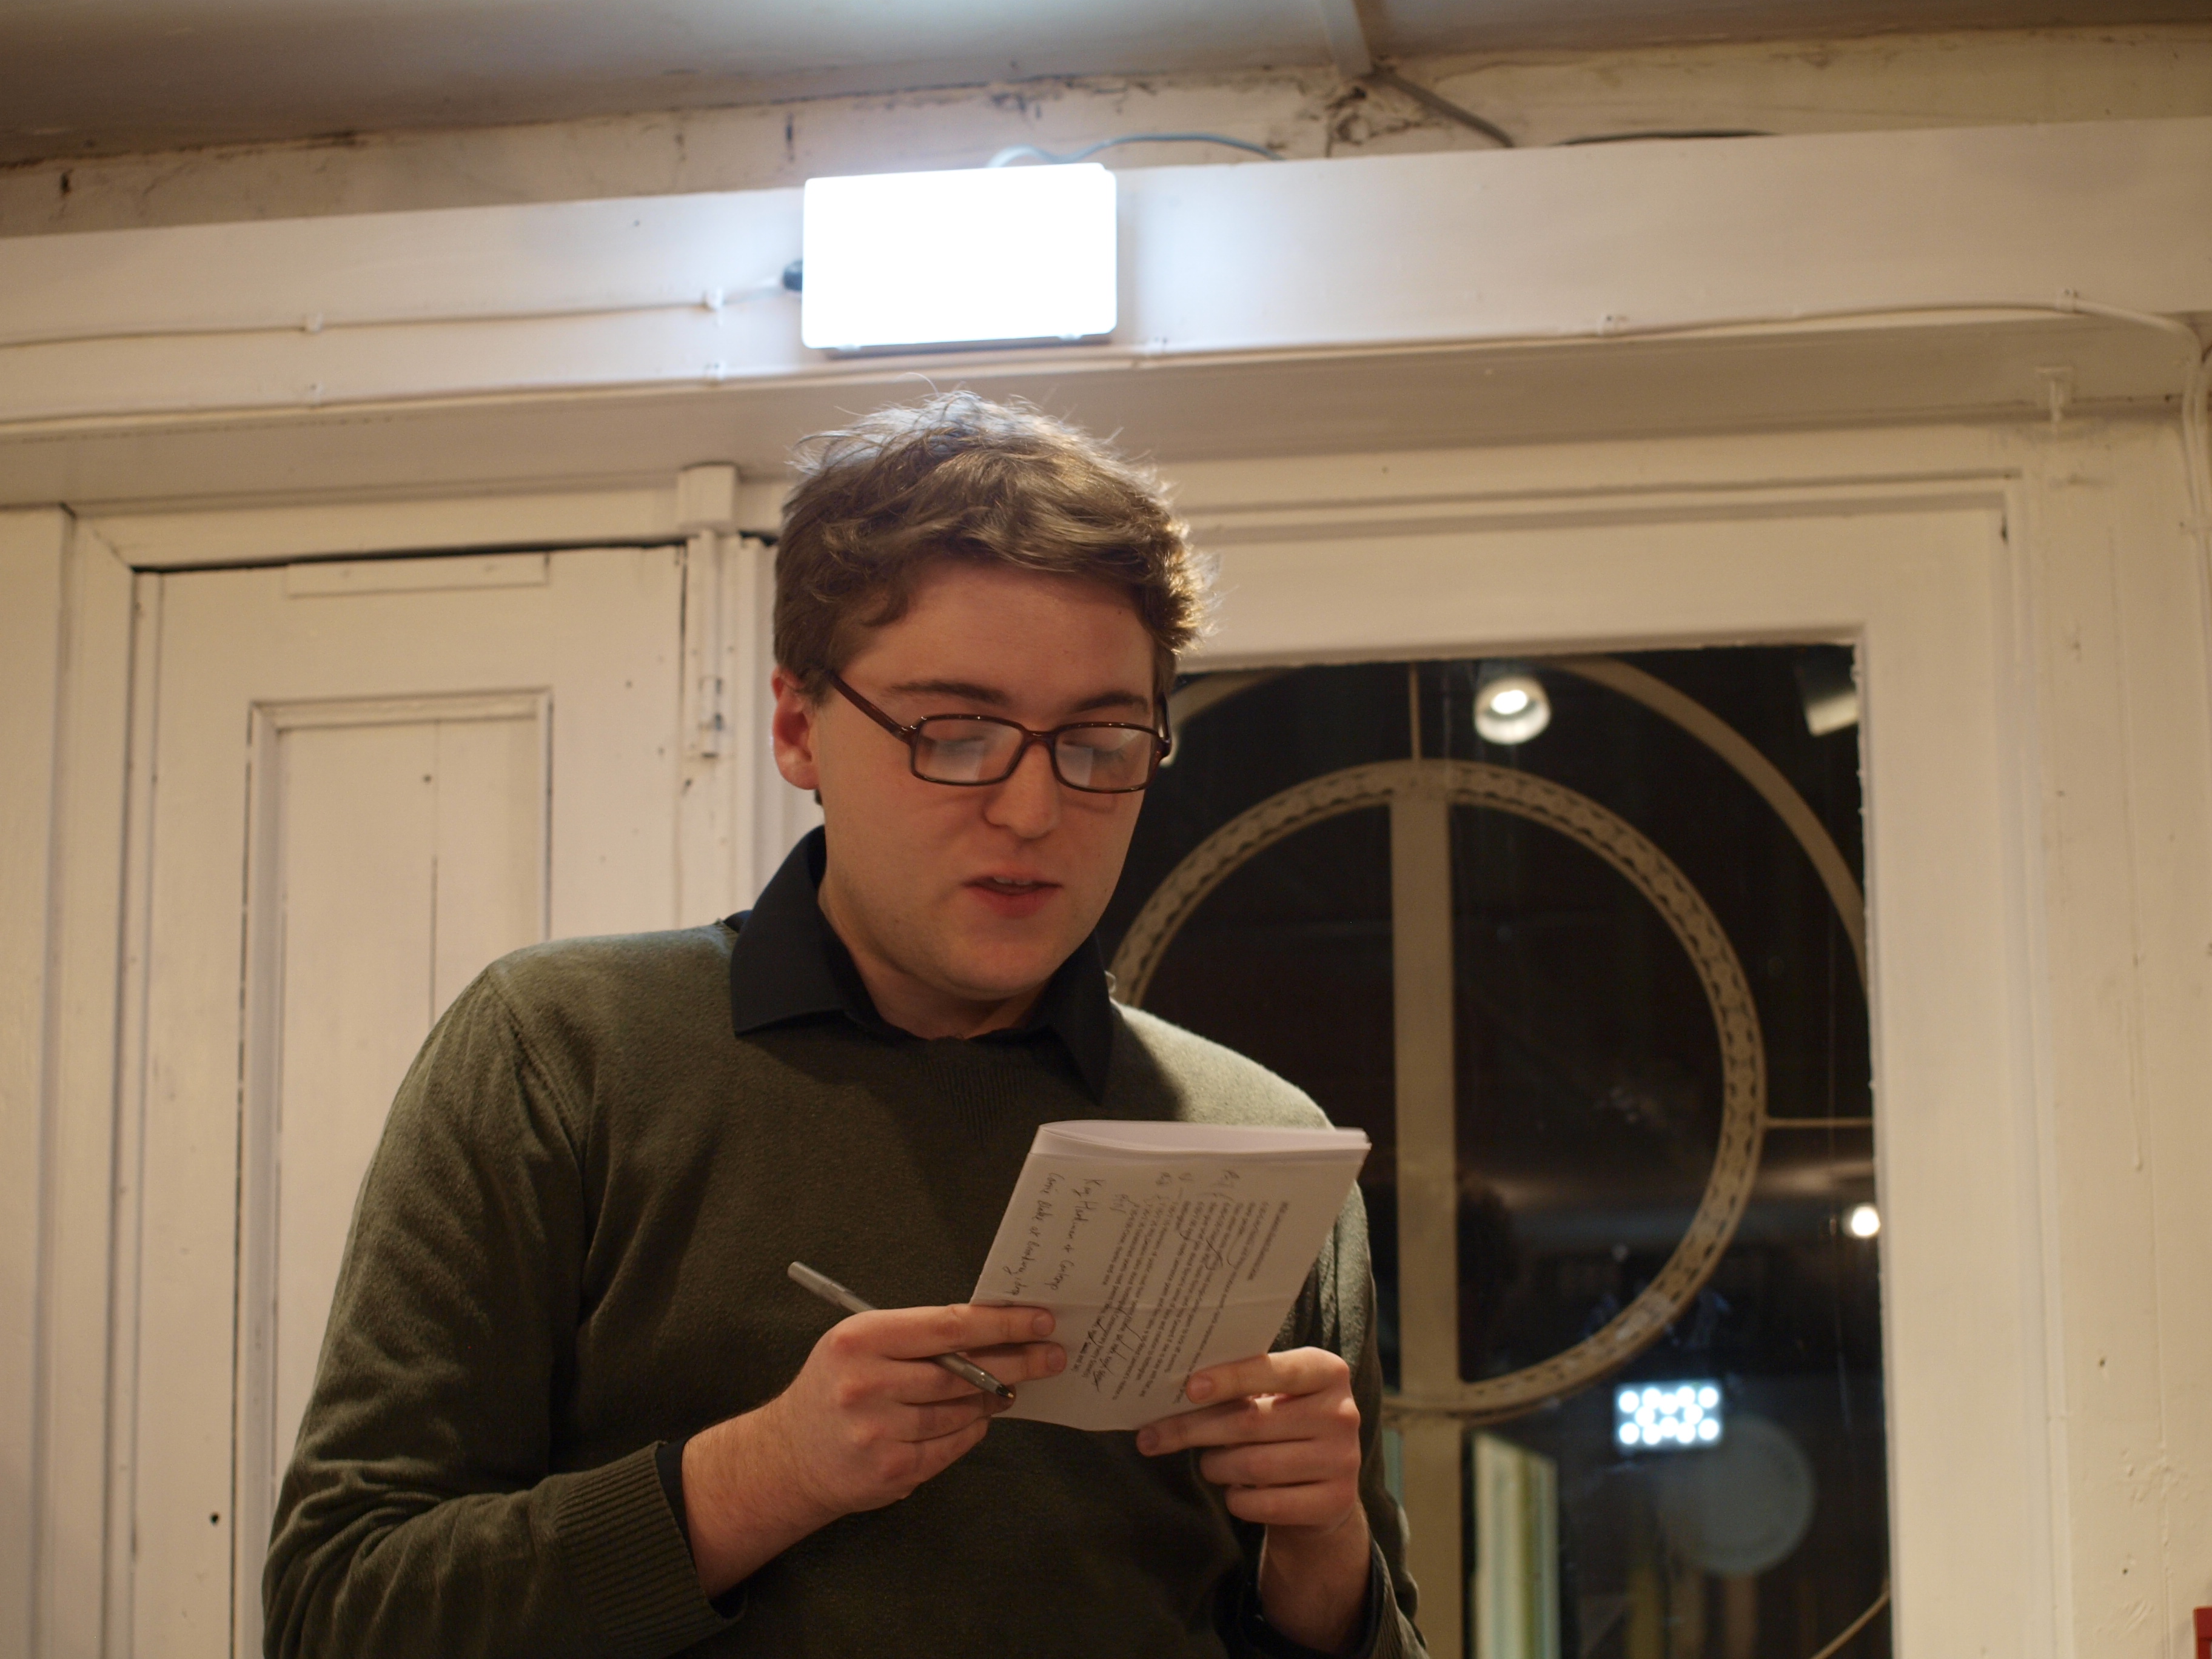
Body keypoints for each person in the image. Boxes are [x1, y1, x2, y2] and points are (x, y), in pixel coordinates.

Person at [263, 393, 1425, 1658]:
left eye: (1101, 742)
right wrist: (765, 1474)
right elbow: (340, 1613)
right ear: (796, 727)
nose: (1035, 810)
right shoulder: (561, 1052)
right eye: (957, 734)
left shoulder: (1256, 1137)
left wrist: (1326, 1554)